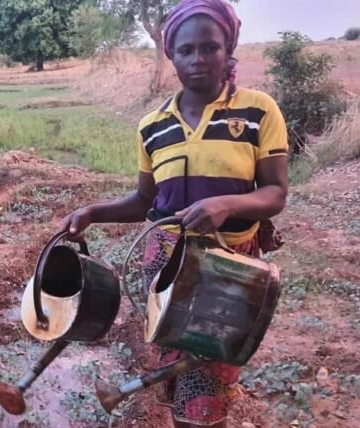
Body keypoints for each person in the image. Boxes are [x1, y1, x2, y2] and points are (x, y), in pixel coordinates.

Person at [58, 0, 288, 426]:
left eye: (210, 47)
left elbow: (275, 193)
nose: (198, 59)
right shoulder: (153, 126)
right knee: (174, 368)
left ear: (228, 50)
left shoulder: (257, 111)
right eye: (186, 50)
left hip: (229, 268)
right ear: (172, 55)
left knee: (205, 390)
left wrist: (227, 204)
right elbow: (146, 202)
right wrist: (91, 212)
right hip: (164, 263)